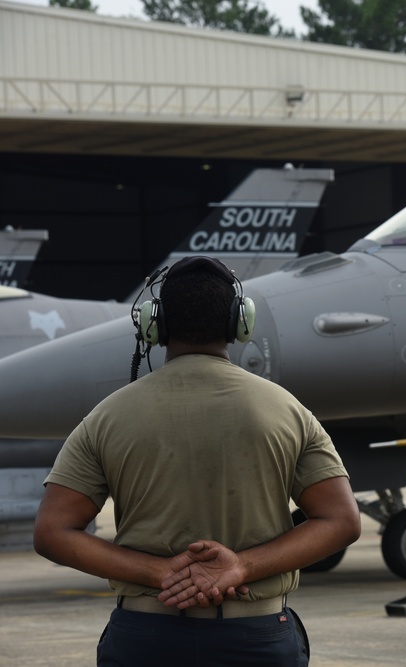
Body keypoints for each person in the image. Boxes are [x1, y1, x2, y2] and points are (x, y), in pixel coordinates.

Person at [33, 255, 361, 667]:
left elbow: (52, 531)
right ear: (240, 323)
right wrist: (241, 566)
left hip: (146, 637)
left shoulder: (107, 416)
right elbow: (341, 521)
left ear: (155, 324)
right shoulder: (288, 410)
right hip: (256, 637)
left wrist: (161, 573)